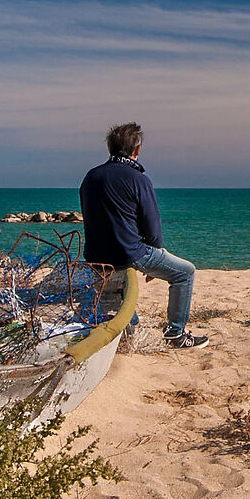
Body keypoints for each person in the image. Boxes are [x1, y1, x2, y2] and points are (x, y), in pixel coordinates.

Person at [79, 122, 209, 349]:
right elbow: (151, 225)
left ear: (110, 148)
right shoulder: (138, 179)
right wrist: (156, 257)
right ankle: (176, 333)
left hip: (96, 255)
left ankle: (129, 329)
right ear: (137, 150)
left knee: (119, 293)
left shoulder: (91, 176)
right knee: (185, 273)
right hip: (130, 252)